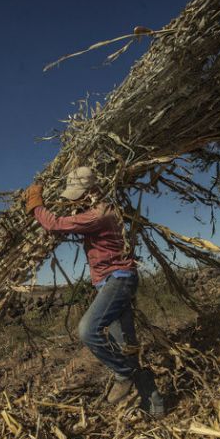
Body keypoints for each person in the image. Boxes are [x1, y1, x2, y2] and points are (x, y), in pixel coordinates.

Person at [24, 166, 165, 418]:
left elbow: (54, 224)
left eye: (79, 195)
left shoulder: (99, 215)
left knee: (87, 330)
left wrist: (36, 204)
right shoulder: (99, 211)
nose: (76, 200)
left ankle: (122, 375)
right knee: (126, 348)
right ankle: (155, 406)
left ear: (92, 192)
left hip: (117, 281)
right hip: (111, 283)